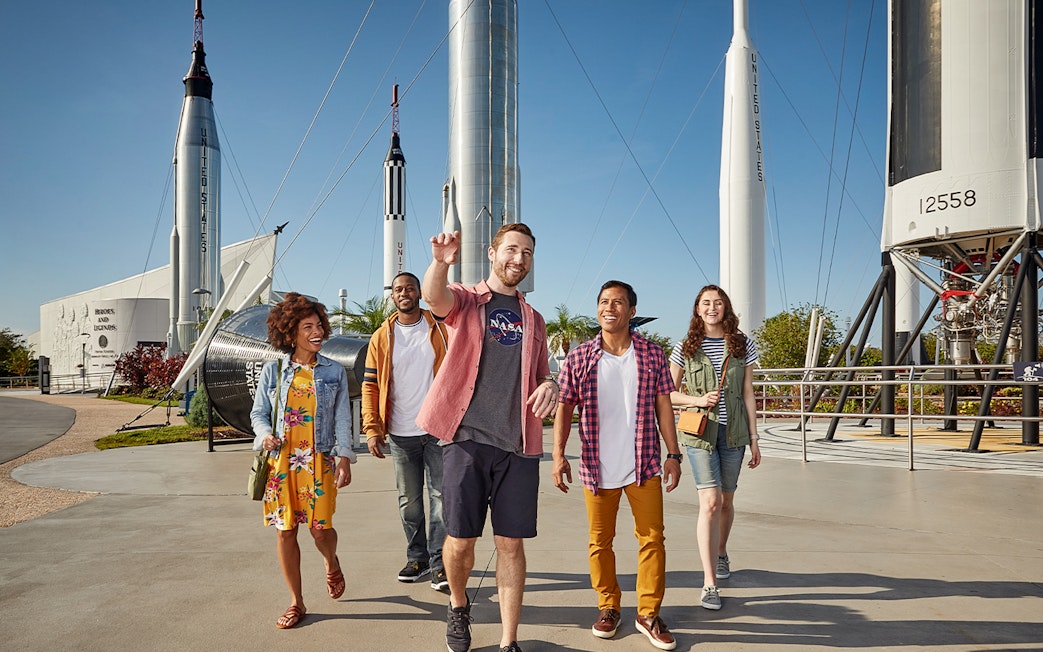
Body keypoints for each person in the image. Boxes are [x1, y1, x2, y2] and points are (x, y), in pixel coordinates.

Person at [417, 223, 557, 652]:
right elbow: (432, 297)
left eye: (528, 253)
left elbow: (541, 372)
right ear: (493, 253)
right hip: (466, 439)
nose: (520, 258)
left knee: (510, 544)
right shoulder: (467, 299)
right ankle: (459, 606)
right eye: (512, 249)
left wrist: (550, 384)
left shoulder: (534, 318)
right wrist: (440, 263)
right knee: (460, 541)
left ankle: (508, 640)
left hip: (518, 446)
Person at [552, 280, 683, 651]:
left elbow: (664, 409)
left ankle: (648, 613)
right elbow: (564, 409)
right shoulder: (579, 358)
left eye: (618, 302)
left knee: (652, 539)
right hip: (596, 467)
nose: (610, 307)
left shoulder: (652, 354)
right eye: (604, 302)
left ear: (631, 311)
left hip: (643, 465)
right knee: (599, 543)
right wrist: (559, 455)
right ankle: (608, 606)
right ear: (598, 309)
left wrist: (673, 454)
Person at [249, 292, 356, 629]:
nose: (317, 332)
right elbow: (259, 413)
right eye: (307, 327)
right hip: (282, 464)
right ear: (290, 332)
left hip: (319, 460)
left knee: (321, 531)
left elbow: (342, 418)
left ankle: (331, 562)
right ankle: (297, 602)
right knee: (285, 532)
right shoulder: (274, 370)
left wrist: (345, 457)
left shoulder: (333, 372)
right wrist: (264, 433)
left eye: (319, 325)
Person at [669, 285, 761, 611]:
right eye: (706, 303)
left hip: (734, 434)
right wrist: (697, 399)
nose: (712, 308)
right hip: (700, 433)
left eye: (717, 303)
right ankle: (709, 582)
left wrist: (754, 437)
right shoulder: (685, 347)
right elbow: (668, 393)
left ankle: (721, 551)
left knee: (726, 501)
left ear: (726, 308)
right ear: (697, 309)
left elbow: (748, 392)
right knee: (709, 502)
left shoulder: (742, 344)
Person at [362, 271, 450, 590]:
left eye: (410, 288)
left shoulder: (440, 328)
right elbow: (370, 385)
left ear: (419, 293)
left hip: (438, 429)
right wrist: (373, 429)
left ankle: (440, 563)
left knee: (441, 499)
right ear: (393, 296)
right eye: (399, 289)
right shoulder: (381, 337)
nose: (404, 293)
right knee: (408, 501)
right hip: (400, 433)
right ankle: (418, 558)